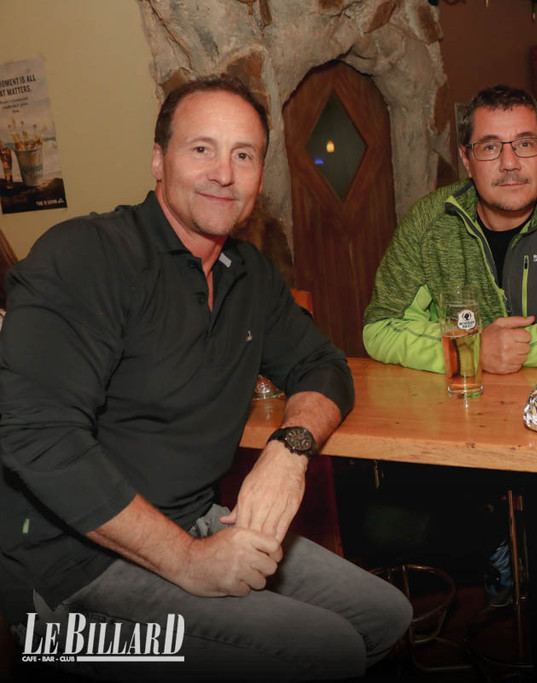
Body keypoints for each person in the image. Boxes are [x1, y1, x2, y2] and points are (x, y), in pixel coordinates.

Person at [0, 75, 411, 680]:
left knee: (386, 615)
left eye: (244, 155)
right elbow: (37, 436)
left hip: (192, 523)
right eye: (202, 149)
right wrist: (190, 561)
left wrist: (289, 450)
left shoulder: (249, 275)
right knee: (330, 649)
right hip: (65, 576)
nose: (224, 173)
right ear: (158, 160)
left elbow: (323, 366)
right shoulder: (87, 255)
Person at [363, 84, 537, 611]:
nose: (510, 162)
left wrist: (482, 345)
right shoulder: (430, 220)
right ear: (467, 159)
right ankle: (498, 541)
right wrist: (471, 350)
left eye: (525, 143)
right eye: (491, 147)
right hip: (462, 428)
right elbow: (379, 327)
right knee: (384, 530)